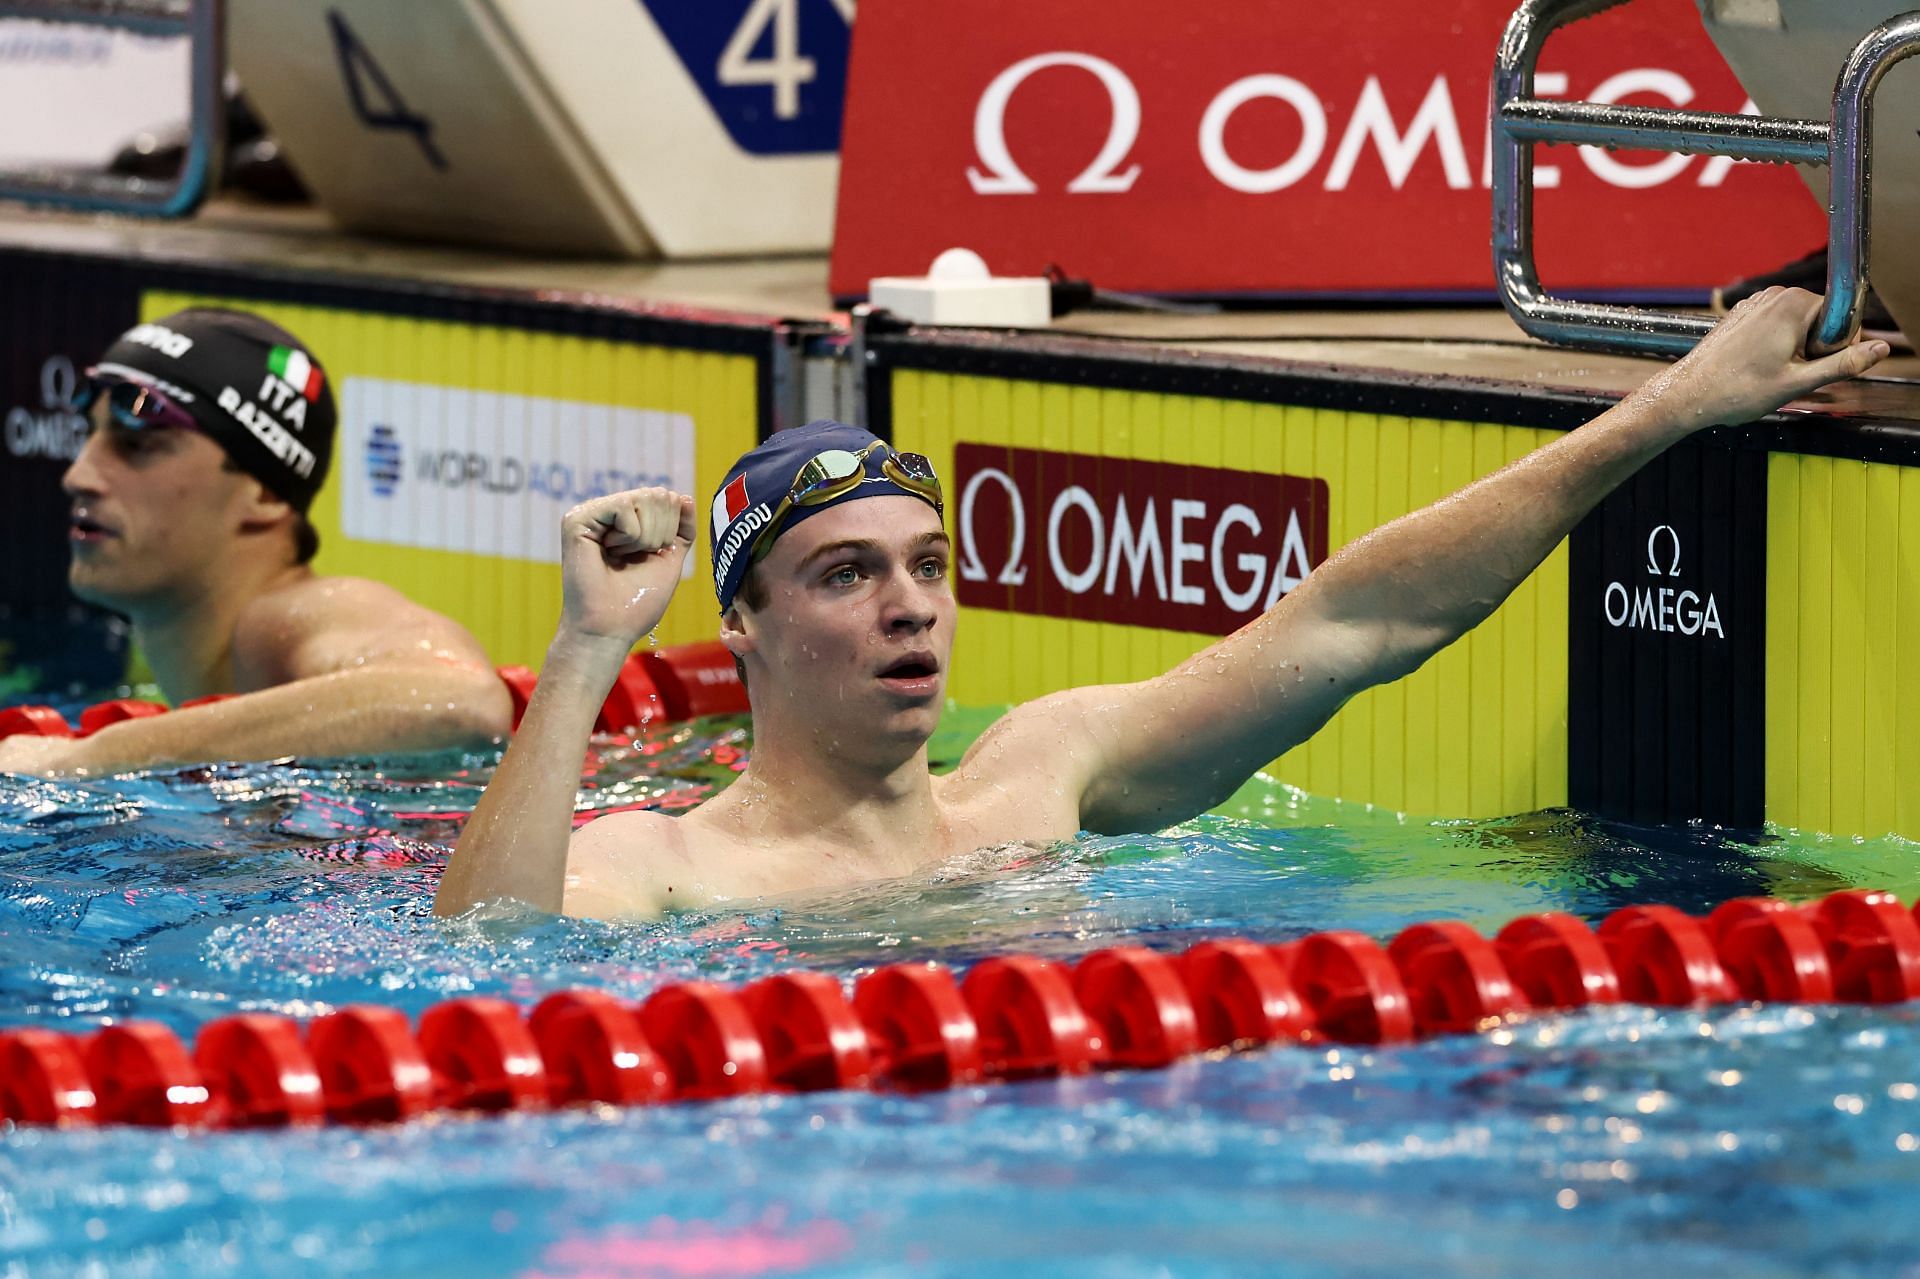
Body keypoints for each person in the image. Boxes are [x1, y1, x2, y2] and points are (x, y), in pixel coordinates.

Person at [435, 287, 1887, 920]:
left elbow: (1349, 626)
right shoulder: (668, 863)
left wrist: (1675, 405)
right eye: (847, 572)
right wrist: (582, 654)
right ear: (738, 626)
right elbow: (486, 960)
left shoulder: (1039, 775)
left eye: (929, 564)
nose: (910, 608)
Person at [0, 308, 511, 776]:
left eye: (136, 446)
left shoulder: (297, 616)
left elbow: (460, 698)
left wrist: (88, 758)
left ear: (263, 493)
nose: (78, 476)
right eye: (89, 438)